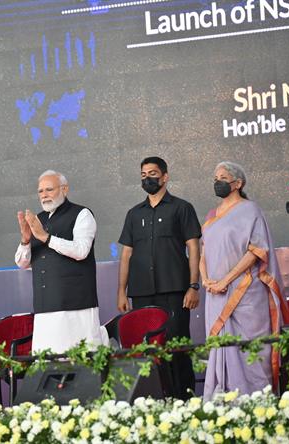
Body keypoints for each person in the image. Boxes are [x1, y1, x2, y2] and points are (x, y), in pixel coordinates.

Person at [201, 162, 289, 400]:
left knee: (251, 351)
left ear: (238, 183)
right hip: (215, 293)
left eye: (223, 177)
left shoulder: (251, 210)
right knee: (222, 348)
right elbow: (204, 251)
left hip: (246, 292)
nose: (217, 182)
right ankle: (223, 402)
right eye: (215, 178)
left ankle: (257, 403)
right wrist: (206, 279)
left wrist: (226, 281)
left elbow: (257, 251)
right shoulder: (212, 216)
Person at [117, 156, 201, 399]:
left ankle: (184, 400)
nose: (148, 179)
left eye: (152, 174)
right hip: (141, 292)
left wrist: (193, 285)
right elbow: (126, 254)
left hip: (175, 290)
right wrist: (121, 291)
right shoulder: (134, 214)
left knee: (177, 346)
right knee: (147, 350)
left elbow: (193, 247)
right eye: (143, 175)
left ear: (165, 177)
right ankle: (154, 400)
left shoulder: (182, 208)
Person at [15, 170, 106, 353]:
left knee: (81, 360)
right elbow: (22, 263)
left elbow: (81, 250)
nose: (44, 195)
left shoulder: (82, 214)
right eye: (40, 191)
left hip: (76, 305)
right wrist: (25, 240)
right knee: (48, 361)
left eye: (49, 189)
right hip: (44, 305)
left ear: (64, 189)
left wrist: (45, 237)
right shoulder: (38, 219)